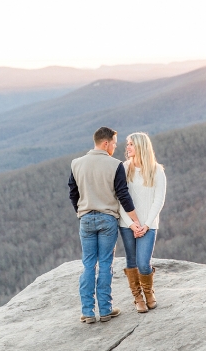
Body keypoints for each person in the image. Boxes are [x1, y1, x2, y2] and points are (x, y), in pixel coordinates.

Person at [68, 126, 142, 324]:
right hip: (107, 219)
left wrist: (81, 211)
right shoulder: (115, 165)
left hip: (85, 219)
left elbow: (73, 193)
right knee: (106, 264)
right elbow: (123, 195)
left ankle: (88, 312)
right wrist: (136, 220)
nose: (115, 148)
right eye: (115, 144)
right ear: (106, 143)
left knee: (88, 264)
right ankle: (106, 309)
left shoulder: (76, 164)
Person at [118, 132, 166, 313]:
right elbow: (119, 199)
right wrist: (131, 224)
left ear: (140, 147)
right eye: (127, 144)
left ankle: (148, 293)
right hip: (127, 225)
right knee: (131, 261)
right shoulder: (124, 167)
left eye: (131, 144)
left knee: (143, 263)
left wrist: (145, 224)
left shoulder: (156, 170)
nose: (127, 147)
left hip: (149, 224)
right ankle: (137, 297)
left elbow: (159, 200)